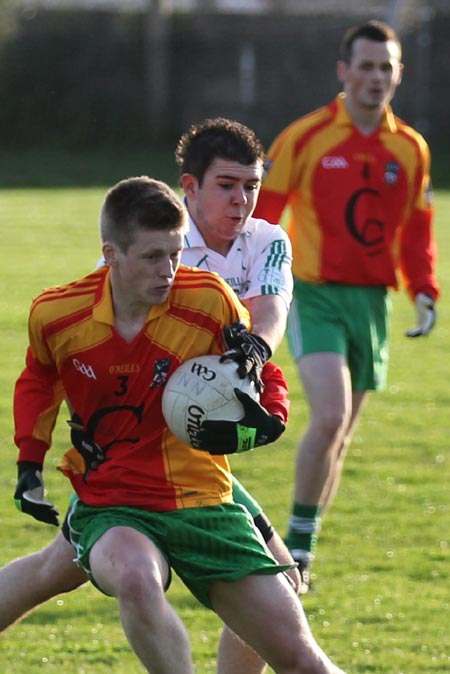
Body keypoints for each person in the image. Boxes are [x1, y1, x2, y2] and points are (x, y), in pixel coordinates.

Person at [11, 175, 348, 674]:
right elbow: (38, 380)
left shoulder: (208, 300)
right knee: (135, 578)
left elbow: (264, 376)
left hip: (204, 500)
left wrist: (262, 424)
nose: (169, 269)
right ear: (112, 254)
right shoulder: (59, 314)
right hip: (113, 500)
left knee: (302, 660)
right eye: (152, 257)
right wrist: (28, 463)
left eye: (174, 252)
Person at [253, 19, 439, 591]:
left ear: (398, 74)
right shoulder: (305, 138)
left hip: (372, 304)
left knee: (342, 434)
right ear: (344, 72)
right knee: (328, 416)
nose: (375, 77)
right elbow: (264, 216)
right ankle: (296, 555)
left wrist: (425, 290)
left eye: (386, 67)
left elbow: (416, 231)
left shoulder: (410, 148)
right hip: (314, 295)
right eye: (365, 66)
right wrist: (245, 287)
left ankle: (301, 551)